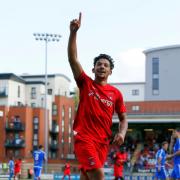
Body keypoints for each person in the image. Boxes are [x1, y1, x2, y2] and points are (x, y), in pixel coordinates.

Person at [68, 13, 128, 180]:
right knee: (98, 176)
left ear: (110, 71)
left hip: (103, 143)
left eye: (105, 65)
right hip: (85, 138)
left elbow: (123, 118)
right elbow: (73, 59)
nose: (102, 66)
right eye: (99, 64)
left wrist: (122, 133)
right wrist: (73, 33)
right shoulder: (86, 84)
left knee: (87, 177)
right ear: (93, 69)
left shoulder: (116, 93)